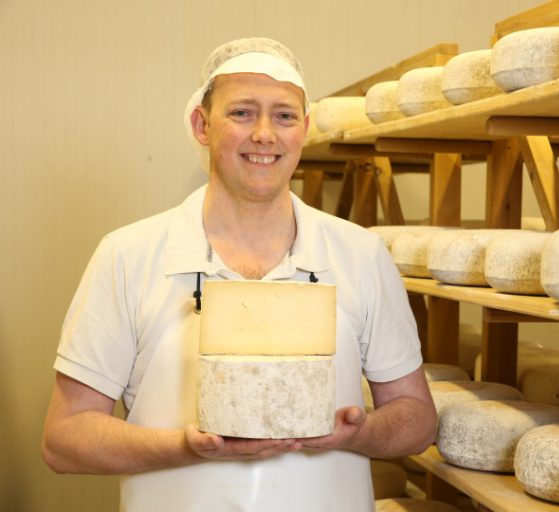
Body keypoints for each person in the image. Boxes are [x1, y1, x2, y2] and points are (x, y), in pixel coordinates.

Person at [42, 37, 436, 511]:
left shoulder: (361, 255)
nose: (265, 134)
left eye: (285, 116)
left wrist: (358, 433)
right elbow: (64, 438)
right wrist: (184, 447)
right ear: (202, 125)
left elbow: (417, 421)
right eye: (242, 113)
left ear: (304, 129)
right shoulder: (128, 256)